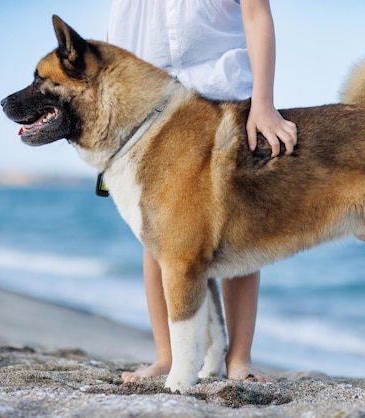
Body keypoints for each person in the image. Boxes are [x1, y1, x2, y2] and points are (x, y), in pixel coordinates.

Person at [108, 0, 298, 383]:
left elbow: (256, 14)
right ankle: (166, 357)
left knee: (242, 223)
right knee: (156, 236)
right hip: (151, 99)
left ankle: (238, 359)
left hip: (224, 88)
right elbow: (117, 35)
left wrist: (264, 103)